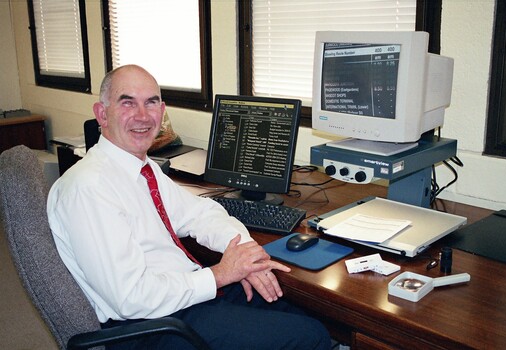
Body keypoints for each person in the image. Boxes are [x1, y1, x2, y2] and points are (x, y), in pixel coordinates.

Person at [47, 64, 331, 349]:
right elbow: (130, 298)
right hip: (150, 327)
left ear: (162, 111)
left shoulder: (141, 167)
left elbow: (201, 212)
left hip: (183, 296)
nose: (143, 116)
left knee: (297, 313)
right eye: (128, 102)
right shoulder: (89, 188)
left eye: (151, 103)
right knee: (309, 336)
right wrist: (221, 274)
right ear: (101, 114)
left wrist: (245, 256)